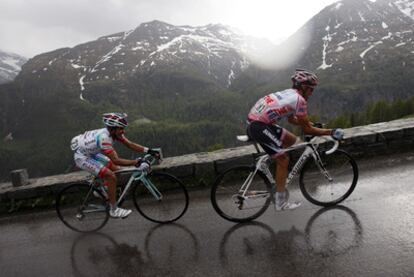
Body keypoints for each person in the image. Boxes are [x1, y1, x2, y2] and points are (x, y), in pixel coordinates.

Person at [246, 69, 344, 211]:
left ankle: (279, 177)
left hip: (259, 123)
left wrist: (308, 124)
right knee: (283, 159)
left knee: (293, 141)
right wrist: (332, 132)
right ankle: (280, 202)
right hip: (259, 127)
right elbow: (308, 131)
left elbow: (292, 119)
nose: (312, 93)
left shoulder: (290, 93)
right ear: (303, 87)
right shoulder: (300, 100)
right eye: (311, 89)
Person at [70, 112, 160, 218]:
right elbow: (116, 159)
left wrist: (149, 151)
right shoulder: (104, 139)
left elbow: (129, 144)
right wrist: (136, 162)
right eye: (121, 128)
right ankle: (114, 210)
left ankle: (101, 191)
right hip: (83, 158)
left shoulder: (114, 133)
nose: (123, 131)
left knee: (116, 170)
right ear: (113, 128)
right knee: (111, 176)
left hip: (91, 153)